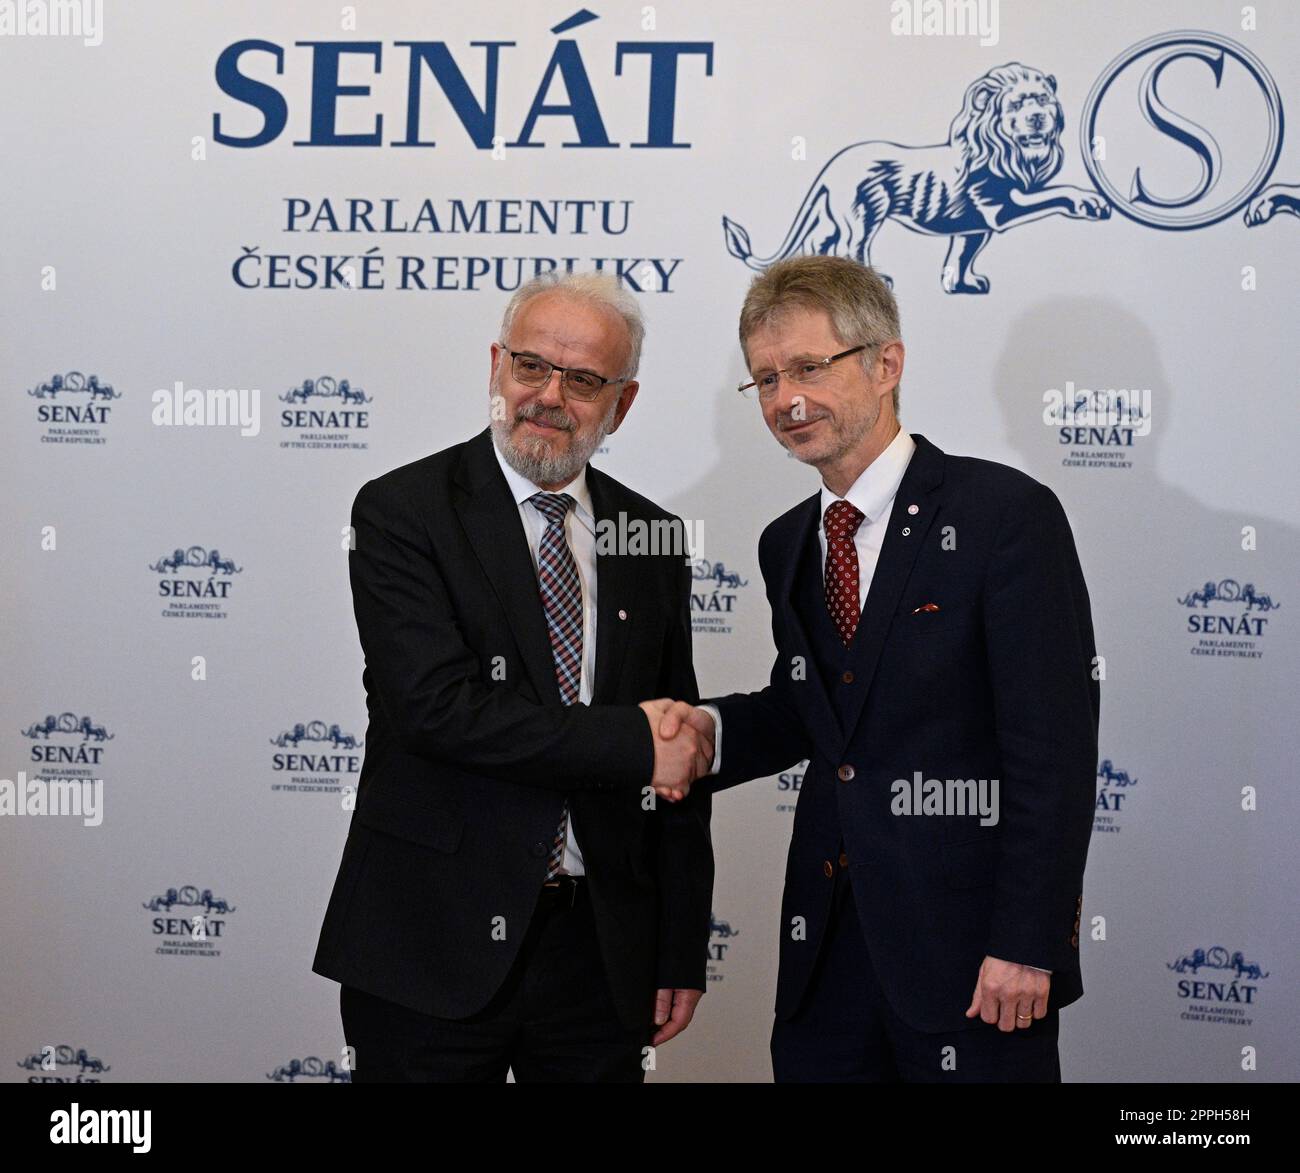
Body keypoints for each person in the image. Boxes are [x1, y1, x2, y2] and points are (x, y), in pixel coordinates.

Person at [656, 255, 1098, 1082]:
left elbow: (1055, 754)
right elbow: (815, 710)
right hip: (825, 960)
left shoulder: (1004, 515)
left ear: (886, 363)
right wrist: (706, 733)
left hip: (975, 965)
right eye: (765, 378)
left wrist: (1027, 943)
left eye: (809, 367)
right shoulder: (787, 542)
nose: (786, 399)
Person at [312, 272, 714, 1082]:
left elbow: (678, 747)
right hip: (430, 942)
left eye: (584, 379)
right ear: (496, 365)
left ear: (622, 402)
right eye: (531, 366)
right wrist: (636, 744)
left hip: (598, 956)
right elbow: (439, 711)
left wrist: (678, 944)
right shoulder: (402, 511)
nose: (549, 395)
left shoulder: (651, 536)